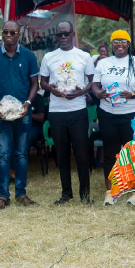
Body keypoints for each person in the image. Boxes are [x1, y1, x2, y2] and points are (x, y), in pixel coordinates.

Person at [91, 30, 135, 206]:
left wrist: (133, 94)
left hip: (132, 114)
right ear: (111, 44)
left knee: (133, 153)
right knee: (109, 153)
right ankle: (110, 192)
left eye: (123, 41)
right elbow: (94, 85)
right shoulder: (103, 63)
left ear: (128, 44)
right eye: (116, 41)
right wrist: (98, 93)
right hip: (108, 113)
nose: (119, 44)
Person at [0, 21, 39, 210]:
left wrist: (28, 103)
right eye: (5, 32)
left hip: (23, 112)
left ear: (18, 34)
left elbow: (34, 84)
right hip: (1, 113)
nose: (8, 35)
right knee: (4, 155)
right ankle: (3, 196)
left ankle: (21, 193)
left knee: (22, 154)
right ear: (2, 33)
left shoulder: (29, 56)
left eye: (12, 32)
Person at [40, 21, 94, 204]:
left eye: (66, 33)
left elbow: (92, 83)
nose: (62, 37)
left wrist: (81, 92)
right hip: (56, 111)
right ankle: (66, 193)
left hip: (77, 110)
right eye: (59, 34)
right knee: (61, 154)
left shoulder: (84, 56)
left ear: (72, 34)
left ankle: (85, 195)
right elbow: (43, 82)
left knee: (82, 154)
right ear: (56, 36)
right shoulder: (49, 57)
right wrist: (51, 89)